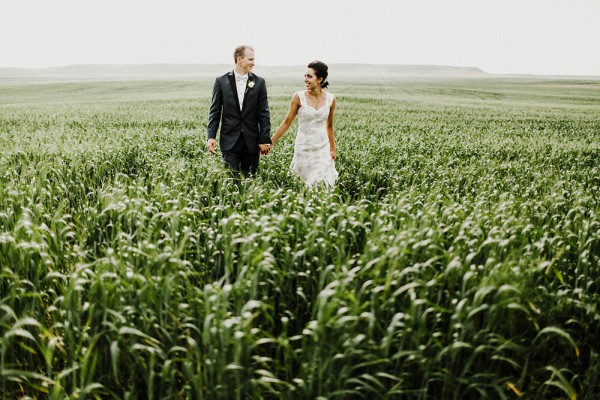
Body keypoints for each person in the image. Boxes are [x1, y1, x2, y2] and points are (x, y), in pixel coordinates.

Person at [271, 61, 338, 188]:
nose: (305, 79)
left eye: (309, 76)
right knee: (304, 184)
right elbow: (286, 122)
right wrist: (271, 142)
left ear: (320, 79)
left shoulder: (331, 99)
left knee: (323, 182)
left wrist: (333, 149)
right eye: (305, 76)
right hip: (304, 147)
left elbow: (329, 126)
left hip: (322, 147)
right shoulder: (298, 97)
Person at [207, 45, 271, 174]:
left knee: (251, 181)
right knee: (231, 180)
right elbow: (215, 111)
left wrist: (264, 140)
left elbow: (264, 113)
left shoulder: (259, 82)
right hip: (229, 141)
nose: (253, 63)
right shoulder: (221, 81)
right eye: (250, 59)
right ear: (239, 59)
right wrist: (211, 137)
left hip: (251, 141)